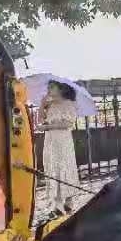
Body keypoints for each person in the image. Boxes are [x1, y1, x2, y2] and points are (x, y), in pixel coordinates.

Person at [37, 80, 80, 217]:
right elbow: (40, 121)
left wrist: (48, 127)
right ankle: (57, 204)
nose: (49, 89)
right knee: (52, 167)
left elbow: (68, 123)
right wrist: (42, 105)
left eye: (52, 87)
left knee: (64, 166)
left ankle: (67, 202)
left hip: (63, 140)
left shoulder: (69, 104)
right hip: (50, 140)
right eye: (48, 87)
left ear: (61, 89)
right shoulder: (49, 104)